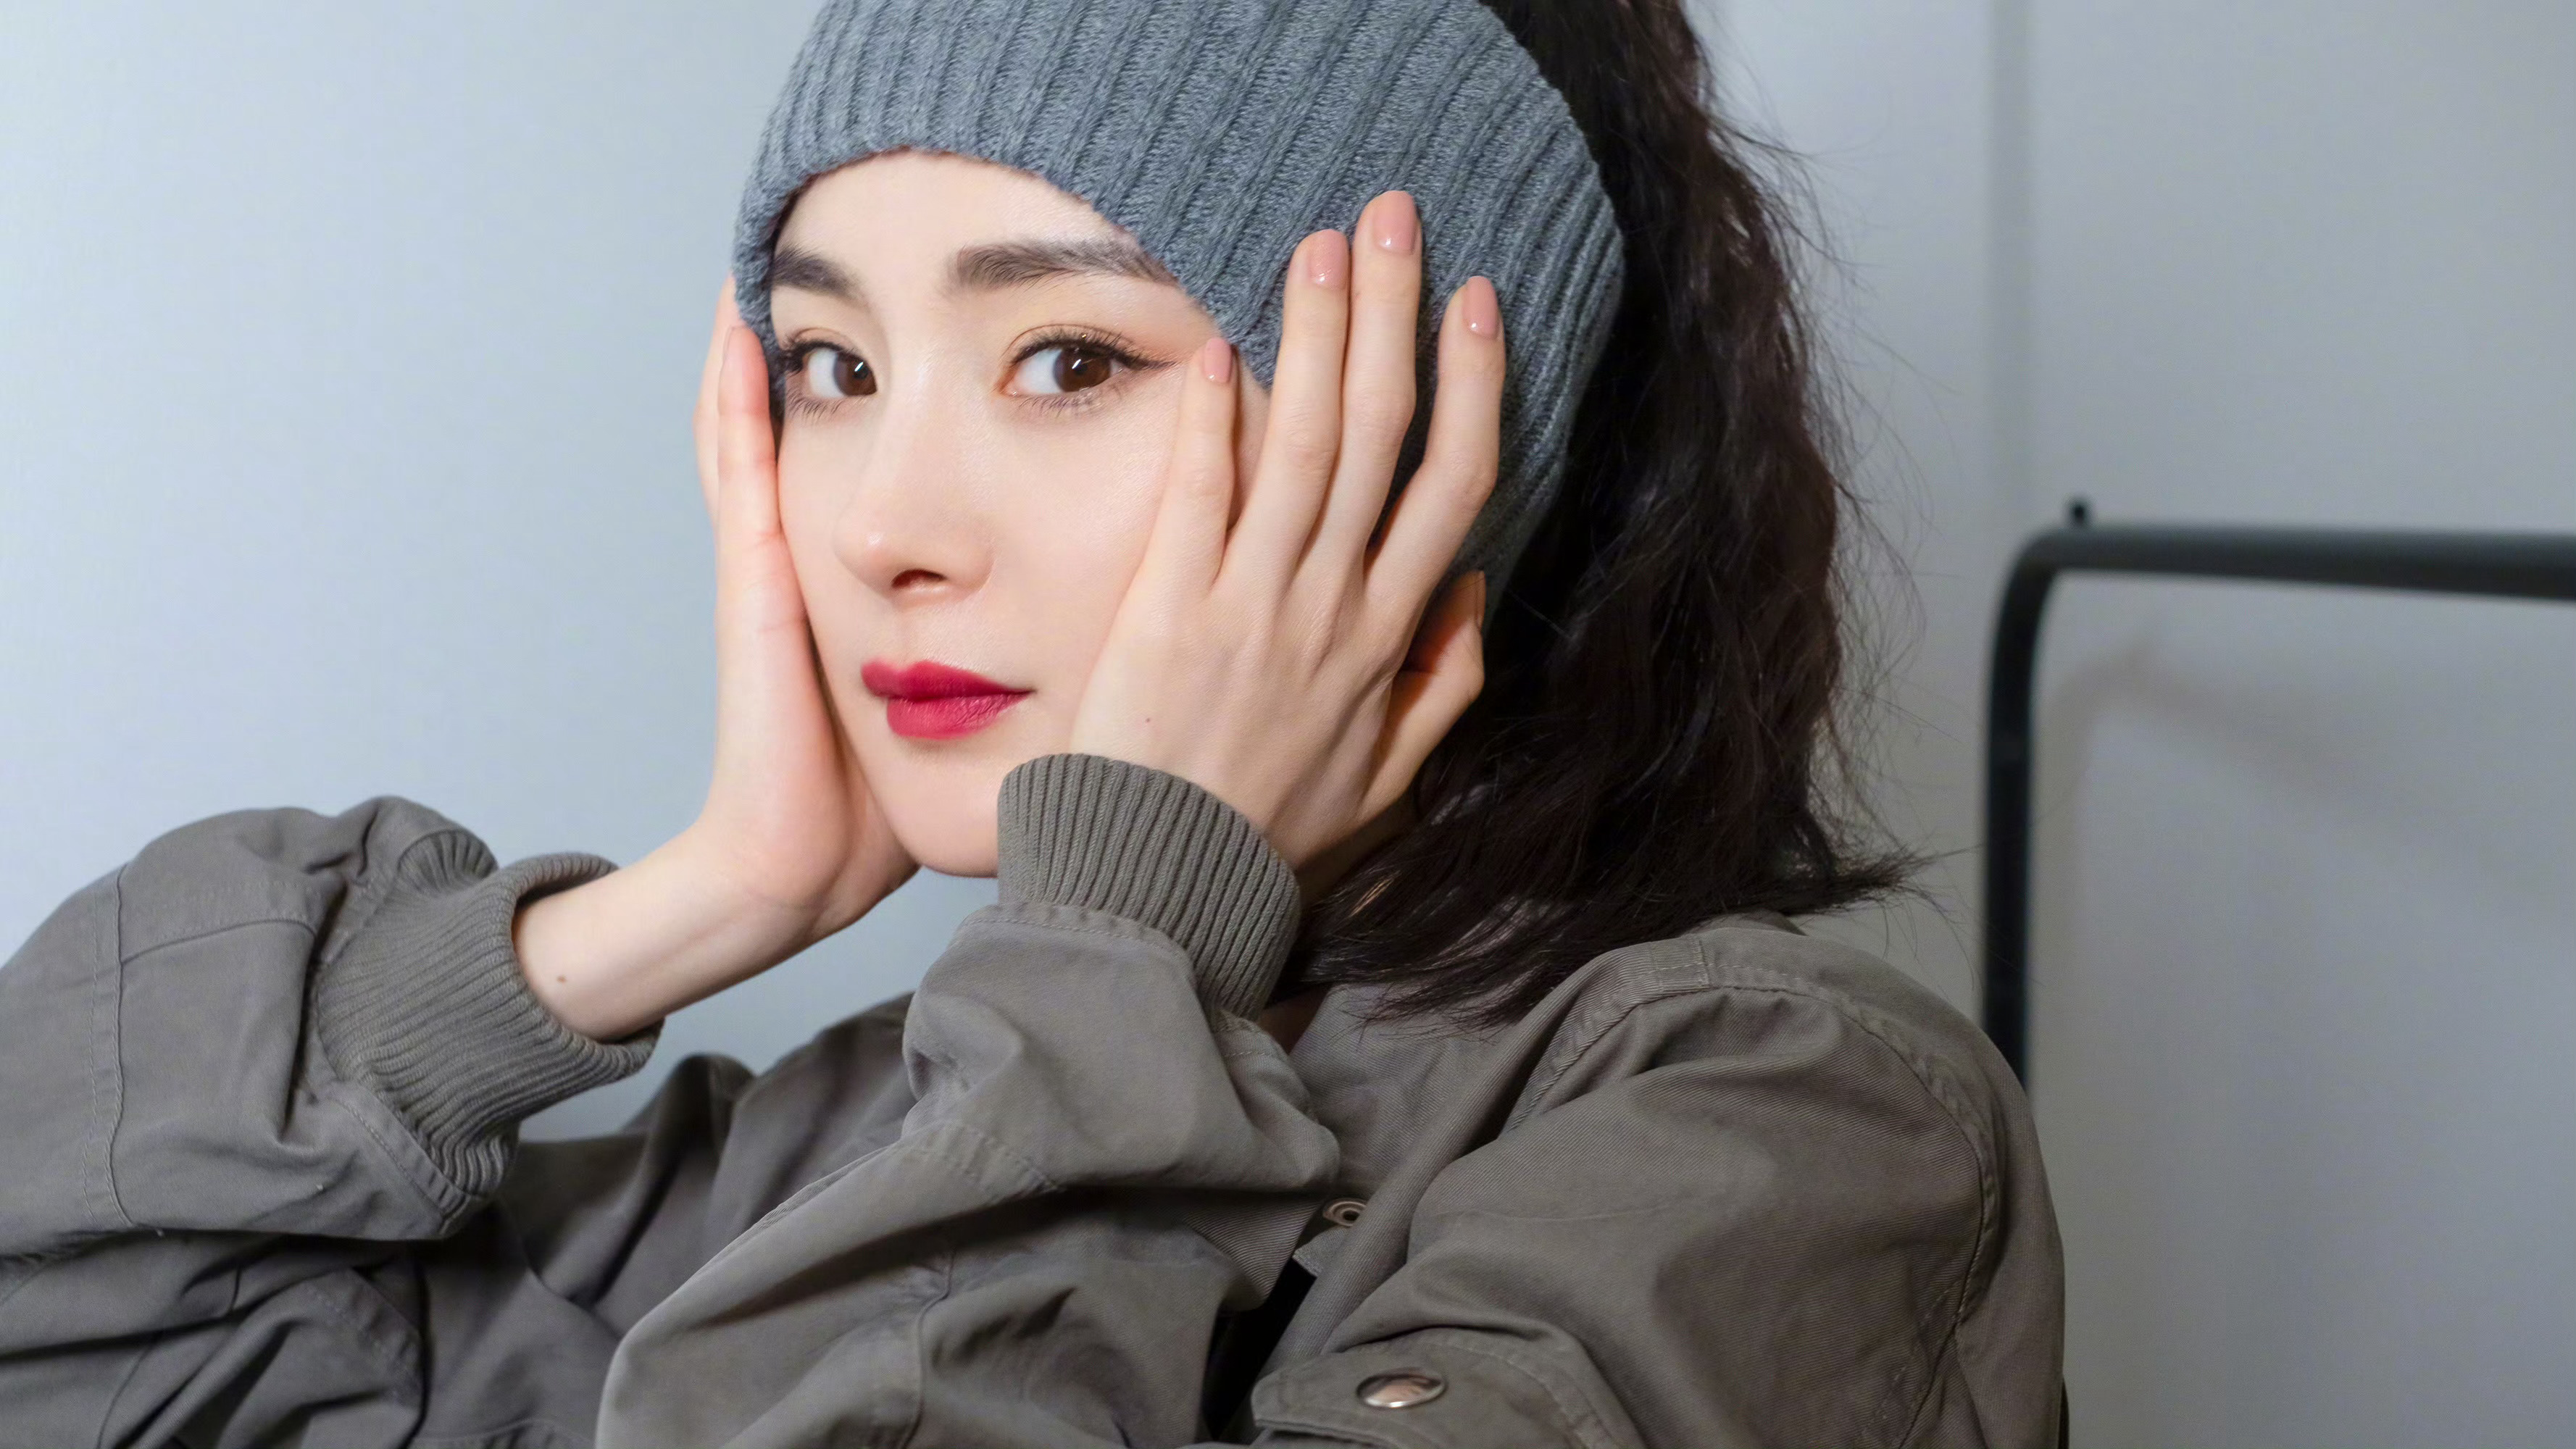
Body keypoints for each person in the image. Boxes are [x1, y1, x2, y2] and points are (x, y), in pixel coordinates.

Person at [0, 0, 2064, 1443]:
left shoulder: (1779, 1121)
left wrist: (1126, 933)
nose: (881, 525)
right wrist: (681, 908)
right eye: (829, 365)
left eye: (1069, 359)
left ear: (1435, 446)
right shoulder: (882, 1115)